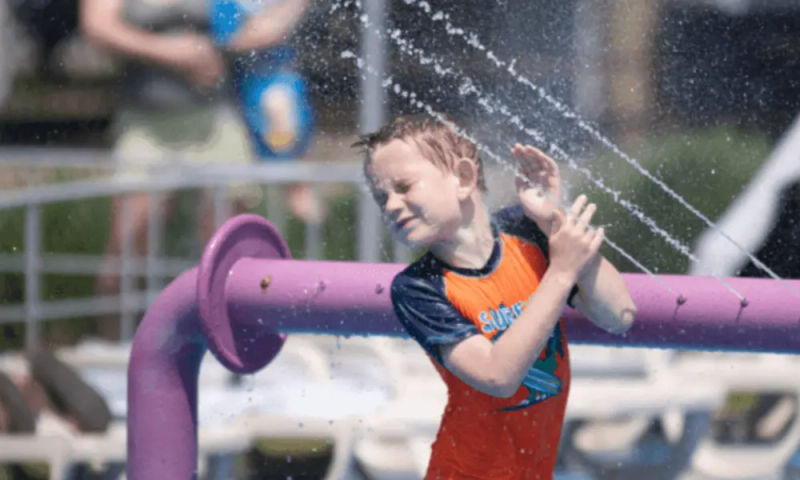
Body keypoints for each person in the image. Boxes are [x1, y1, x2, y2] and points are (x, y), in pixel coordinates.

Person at [355, 113, 637, 479]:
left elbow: (620, 315)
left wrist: (557, 223)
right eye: (381, 198)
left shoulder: (529, 234)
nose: (391, 205)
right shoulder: (419, 288)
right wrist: (562, 271)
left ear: (463, 178)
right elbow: (497, 376)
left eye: (404, 187)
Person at [80, 0, 314, 338]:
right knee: (127, 253)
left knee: (231, 256)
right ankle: (117, 351)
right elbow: (98, 28)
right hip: (145, 124)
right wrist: (170, 52)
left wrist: (228, 45)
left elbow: (269, 20)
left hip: (216, 118)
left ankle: (237, 351)